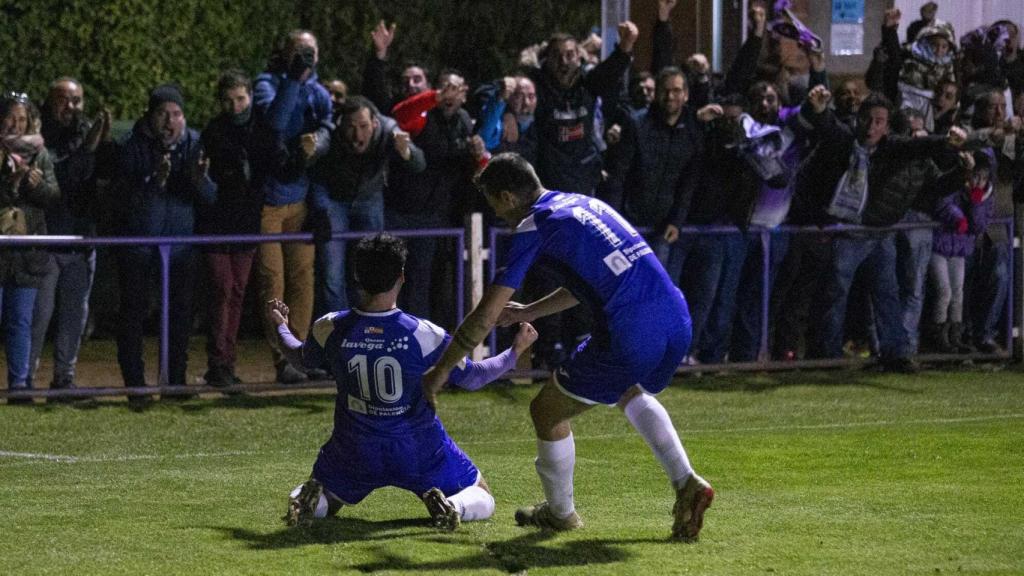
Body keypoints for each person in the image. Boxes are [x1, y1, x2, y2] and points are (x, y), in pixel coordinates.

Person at [423, 153, 714, 541]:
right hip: (675, 320)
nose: (499, 216)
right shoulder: (584, 203)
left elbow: (483, 316)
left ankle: (561, 514)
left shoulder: (534, 225)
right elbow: (589, 281)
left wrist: (438, 373)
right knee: (629, 389)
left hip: (630, 330)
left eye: (495, 205)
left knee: (546, 410)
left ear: (508, 197)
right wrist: (530, 311)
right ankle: (687, 483)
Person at [269, 233, 537, 529]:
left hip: (355, 448)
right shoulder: (423, 334)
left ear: (356, 276)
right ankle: (452, 505)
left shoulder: (329, 326)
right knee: (483, 495)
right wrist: (515, 352)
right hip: (418, 448)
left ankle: (304, 500)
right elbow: (473, 378)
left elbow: (298, 357)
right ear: (401, 277)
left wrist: (281, 326)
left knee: (328, 497)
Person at [107, 84, 216, 403]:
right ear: (150, 116)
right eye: (163, 114)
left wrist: (199, 181)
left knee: (180, 314)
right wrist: (153, 181)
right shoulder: (130, 143)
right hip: (139, 244)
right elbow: (121, 198)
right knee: (133, 313)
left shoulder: (195, 143)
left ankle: (175, 382)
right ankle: (136, 386)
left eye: (177, 114)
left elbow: (211, 197)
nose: (170, 121)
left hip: (180, 245)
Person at [252, 29, 333, 384]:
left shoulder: (320, 90)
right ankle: (282, 357)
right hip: (269, 201)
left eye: (310, 51)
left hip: (302, 199)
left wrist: (319, 144)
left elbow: (329, 126)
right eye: (298, 50)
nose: (305, 56)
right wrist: (294, 80)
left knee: (303, 280)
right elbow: (274, 124)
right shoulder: (267, 83)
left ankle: (300, 353)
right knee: (273, 282)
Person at [28, 78, 109, 399]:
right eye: (64, 100)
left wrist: (105, 145)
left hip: (80, 240)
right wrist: (88, 149)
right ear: (49, 102)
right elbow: (56, 180)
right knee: (38, 316)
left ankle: (64, 378)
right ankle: (24, 377)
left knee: (74, 317)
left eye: (76, 101)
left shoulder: (87, 131)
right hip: (46, 241)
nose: (71, 108)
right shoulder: (37, 136)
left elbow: (108, 174)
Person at [197, 70, 263, 387]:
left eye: (240, 99)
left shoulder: (259, 128)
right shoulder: (213, 132)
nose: (235, 106)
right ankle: (218, 360)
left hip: (246, 221)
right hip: (217, 222)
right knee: (222, 290)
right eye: (228, 100)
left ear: (250, 96)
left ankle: (226, 362)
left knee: (236, 293)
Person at [1, 92, 60, 404]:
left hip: (26, 252)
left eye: (22, 119)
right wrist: (9, 183)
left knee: (21, 320)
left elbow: (53, 196)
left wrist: (36, 185)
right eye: (11, 118)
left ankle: (20, 385)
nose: (16, 124)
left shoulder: (40, 153)